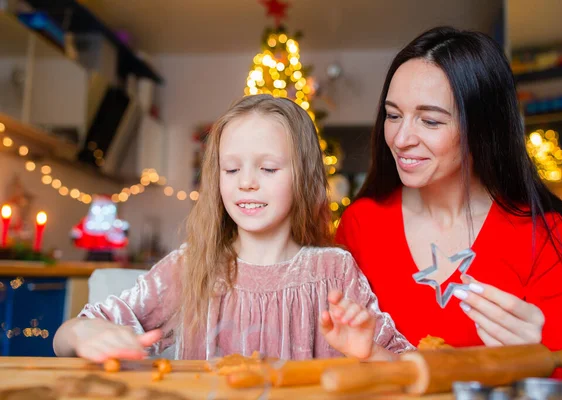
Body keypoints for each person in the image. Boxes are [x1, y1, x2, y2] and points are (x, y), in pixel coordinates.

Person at [53, 94, 413, 362]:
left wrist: (369, 353)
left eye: (268, 169)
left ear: (303, 177)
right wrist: (82, 332)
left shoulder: (334, 272)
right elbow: (68, 335)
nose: (247, 183)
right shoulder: (192, 266)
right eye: (231, 169)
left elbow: (403, 363)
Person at [335, 26, 562, 380]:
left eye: (431, 120)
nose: (401, 138)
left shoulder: (547, 231)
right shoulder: (361, 224)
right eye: (393, 115)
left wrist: (535, 363)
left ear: (483, 128)